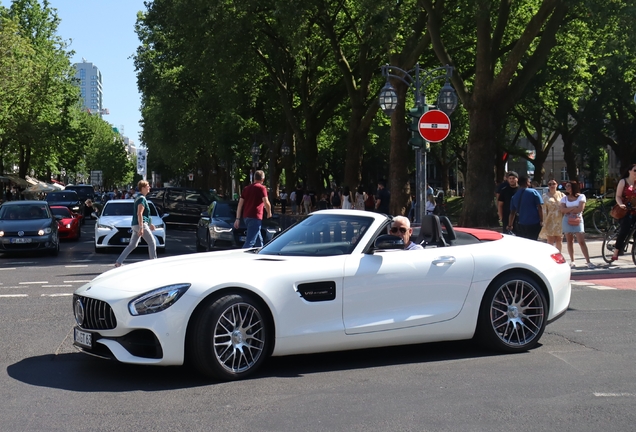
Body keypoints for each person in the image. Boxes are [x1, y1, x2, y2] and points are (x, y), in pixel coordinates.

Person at [115, 180, 157, 267]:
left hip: (135, 224)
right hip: (140, 224)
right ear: (143, 188)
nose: (149, 187)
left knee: (132, 245)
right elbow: (139, 213)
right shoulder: (141, 199)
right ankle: (154, 264)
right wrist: (142, 227)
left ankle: (119, 262)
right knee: (152, 243)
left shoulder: (139, 197)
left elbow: (144, 215)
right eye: (148, 186)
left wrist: (149, 224)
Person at [560, 181, 594, 269]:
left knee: (581, 240)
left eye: (569, 186)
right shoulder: (564, 198)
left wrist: (569, 209)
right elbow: (562, 210)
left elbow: (580, 209)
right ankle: (572, 261)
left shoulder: (581, 197)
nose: (567, 188)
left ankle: (588, 261)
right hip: (567, 220)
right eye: (566, 186)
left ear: (573, 187)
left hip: (578, 219)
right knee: (569, 241)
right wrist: (573, 208)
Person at [234, 170, 272, 248]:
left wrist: (237, 218)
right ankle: (242, 257)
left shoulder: (246, 189)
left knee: (258, 241)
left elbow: (240, 204)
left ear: (254, 178)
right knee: (250, 242)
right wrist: (269, 212)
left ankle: (260, 255)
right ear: (263, 179)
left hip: (246, 217)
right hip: (255, 216)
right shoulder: (262, 188)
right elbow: (266, 202)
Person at [610, 163, 636, 261]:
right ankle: (616, 251)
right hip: (626, 210)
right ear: (629, 171)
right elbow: (618, 196)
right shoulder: (623, 182)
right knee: (624, 230)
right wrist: (621, 204)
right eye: (635, 170)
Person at [508, 175, 544, 240]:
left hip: (521, 223)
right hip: (534, 221)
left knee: (524, 241)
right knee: (533, 241)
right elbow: (540, 206)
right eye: (529, 181)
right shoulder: (533, 192)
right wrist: (541, 220)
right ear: (526, 182)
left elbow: (512, 212)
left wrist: (510, 225)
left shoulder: (514, 196)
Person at [539, 180, 565, 252]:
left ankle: (559, 255)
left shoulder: (562, 195)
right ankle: (551, 256)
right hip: (550, 220)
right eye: (550, 184)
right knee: (550, 240)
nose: (552, 185)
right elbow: (543, 210)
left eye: (554, 184)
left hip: (560, 219)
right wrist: (543, 221)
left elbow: (565, 206)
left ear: (557, 185)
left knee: (559, 239)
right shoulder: (545, 196)